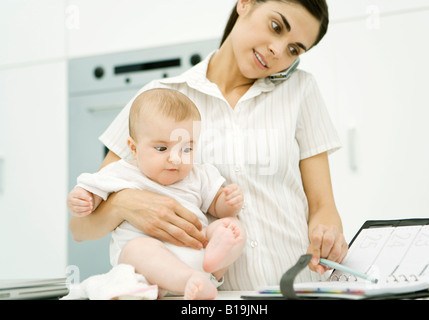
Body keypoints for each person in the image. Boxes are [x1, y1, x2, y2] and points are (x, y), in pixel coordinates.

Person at [70, 0, 348, 291]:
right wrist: (125, 204)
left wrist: (328, 235)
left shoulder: (301, 90)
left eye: (294, 49)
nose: (278, 51)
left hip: (298, 289)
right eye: (276, 27)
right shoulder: (158, 99)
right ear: (246, 3)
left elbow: (323, 207)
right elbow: (81, 228)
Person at [67, 88, 246, 299]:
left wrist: (229, 201)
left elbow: (218, 206)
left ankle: (214, 263)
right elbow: (92, 192)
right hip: (147, 271)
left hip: (198, 248)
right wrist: (82, 198)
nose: (176, 159)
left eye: (186, 149)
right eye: (162, 149)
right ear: (133, 149)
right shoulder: (122, 172)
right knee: (137, 249)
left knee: (232, 227)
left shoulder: (199, 174)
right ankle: (192, 279)